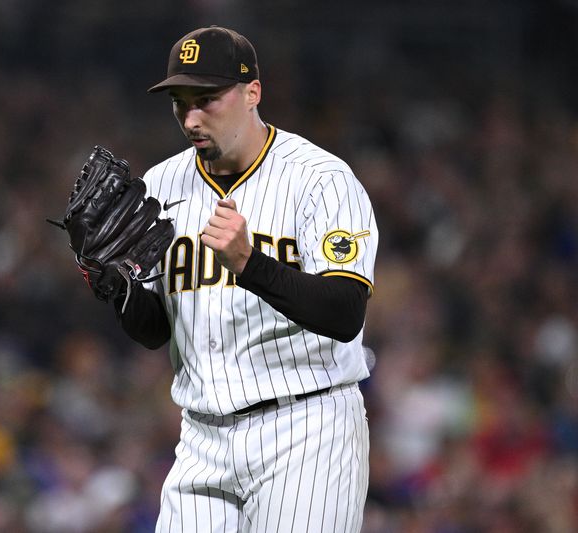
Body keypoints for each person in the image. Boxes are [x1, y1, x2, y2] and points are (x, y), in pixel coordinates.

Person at [115, 26, 378, 532]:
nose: (190, 118)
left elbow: (345, 314)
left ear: (252, 92)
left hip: (306, 430)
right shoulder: (160, 186)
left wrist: (250, 264)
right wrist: (112, 285)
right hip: (201, 436)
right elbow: (153, 332)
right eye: (180, 102)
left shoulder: (320, 179)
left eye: (207, 100)